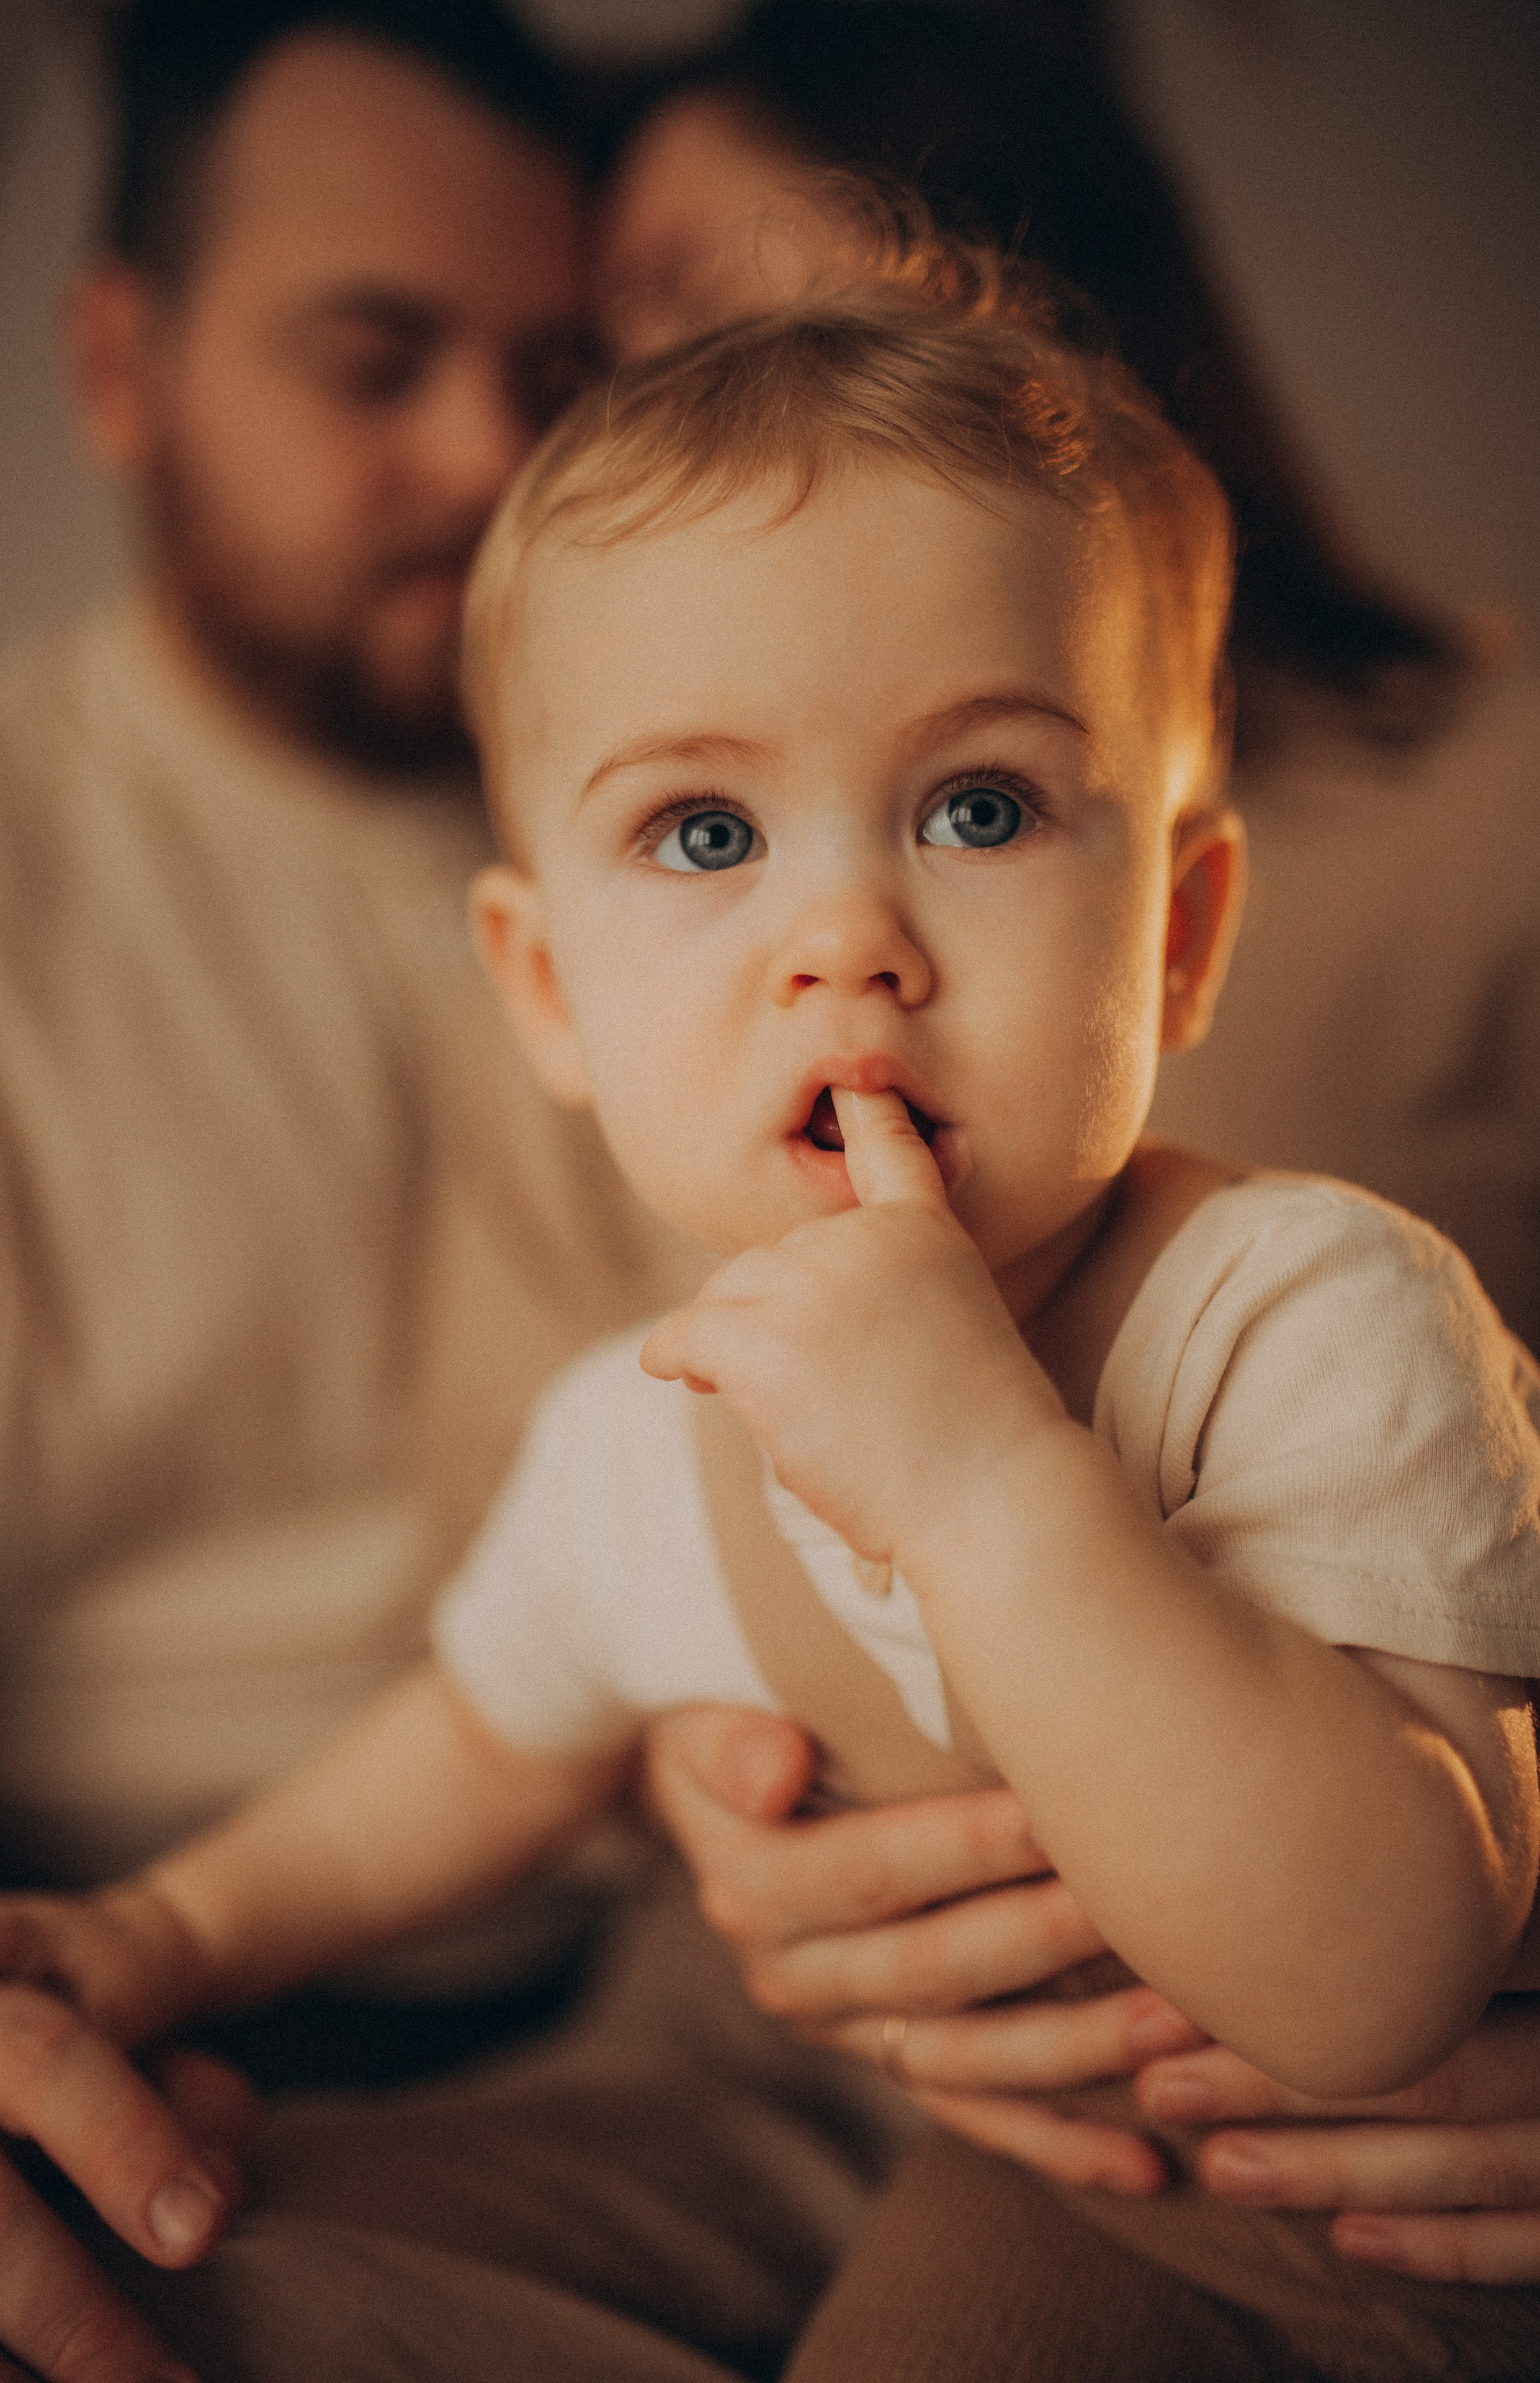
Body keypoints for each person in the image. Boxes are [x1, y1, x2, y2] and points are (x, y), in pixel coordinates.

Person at [0, 240, 1540, 2380]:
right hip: (889, 2130)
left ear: (1176, 934)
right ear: (548, 993)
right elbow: (470, 1748)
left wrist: (987, 1474)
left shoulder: (1309, 1315)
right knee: (196, 2274)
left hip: (1282, 2225)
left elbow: (1378, 1974)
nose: (843, 935)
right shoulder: (638, 1424)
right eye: (704, 830)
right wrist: (166, 1932)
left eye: (977, 807)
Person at [596, 0, 1540, 2292]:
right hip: (791, 2019)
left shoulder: (1484, 810)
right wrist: (728, 1802)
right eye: (619, 347)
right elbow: (595, 1537)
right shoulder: (631, 905)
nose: (841, 936)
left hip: (1309, 2019)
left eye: (777, 318)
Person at [0, 4, 730, 2376]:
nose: (496, 454)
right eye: (374, 361)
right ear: (120, 365)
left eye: (556, 364)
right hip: (151, 1979)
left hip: (722, 1971)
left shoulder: (760, 834)